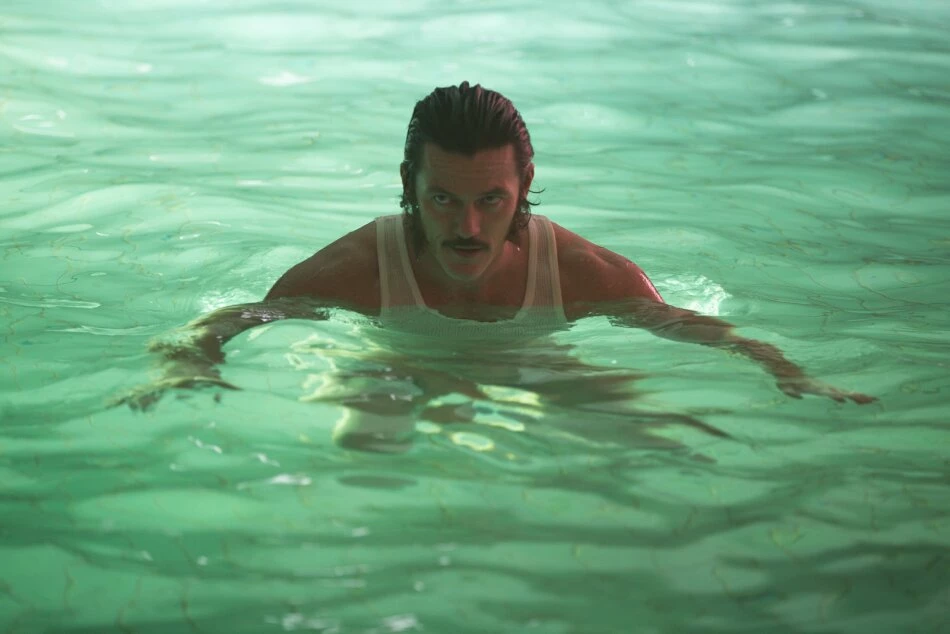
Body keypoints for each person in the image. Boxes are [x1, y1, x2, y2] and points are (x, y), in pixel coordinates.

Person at [117, 81, 875, 450]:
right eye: (443, 199)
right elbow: (240, 318)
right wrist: (184, 366)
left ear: (524, 186)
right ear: (409, 185)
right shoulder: (359, 267)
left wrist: (788, 373)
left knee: (658, 444)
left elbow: (686, 325)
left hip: (533, 365)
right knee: (369, 451)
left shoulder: (581, 271)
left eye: (491, 200)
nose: (468, 226)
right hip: (394, 366)